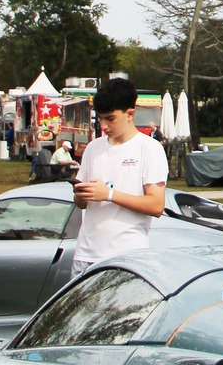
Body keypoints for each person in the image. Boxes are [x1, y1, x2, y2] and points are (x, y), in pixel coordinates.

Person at [71, 78, 169, 275]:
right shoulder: (93, 148)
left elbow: (156, 205)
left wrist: (108, 194)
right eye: (100, 119)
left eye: (110, 118)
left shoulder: (149, 148)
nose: (104, 126)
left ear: (130, 114)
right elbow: (81, 204)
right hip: (85, 255)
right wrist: (81, 195)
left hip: (126, 258)